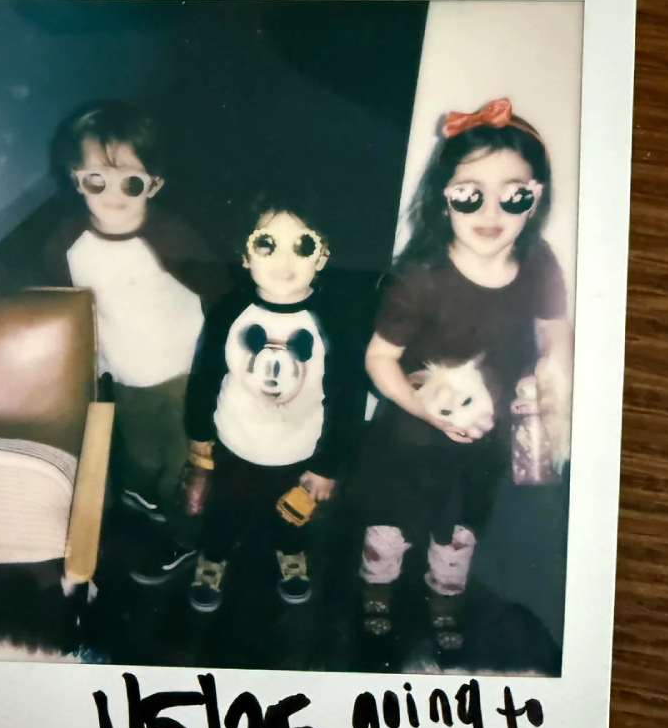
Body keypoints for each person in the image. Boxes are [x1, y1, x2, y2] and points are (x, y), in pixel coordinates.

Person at [0, 100, 232, 579]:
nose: (113, 195)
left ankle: (186, 538)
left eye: (131, 183)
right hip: (123, 371)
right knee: (139, 452)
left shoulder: (171, 237)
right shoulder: (69, 237)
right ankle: (147, 500)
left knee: (182, 468)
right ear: (76, 178)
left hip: (184, 374)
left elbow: (222, 293)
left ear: (154, 184)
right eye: (97, 180)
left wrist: (229, 362)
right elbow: (36, 274)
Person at [355, 97, 573, 653]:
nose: (490, 212)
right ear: (443, 197)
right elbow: (379, 358)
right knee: (391, 526)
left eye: (513, 194)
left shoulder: (540, 262)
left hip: (486, 439)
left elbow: (556, 331)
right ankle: (377, 592)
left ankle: (445, 598)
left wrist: (551, 370)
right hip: (412, 435)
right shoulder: (421, 278)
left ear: (537, 198)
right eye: (470, 194)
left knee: (461, 529)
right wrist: (420, 407)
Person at [182, 192, 365, 614]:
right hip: (235, 444)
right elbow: (205, 375)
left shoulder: (336, 321)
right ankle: (213, 558)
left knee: (293, 515)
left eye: (303, 245)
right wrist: (199, 438)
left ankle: (291, 552)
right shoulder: (229, 311)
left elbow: (348, 397)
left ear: (322, 257)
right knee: (224, 511)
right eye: (266, 244)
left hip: (300, 451)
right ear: (245, 256)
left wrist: (328, 465)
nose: (285, 260)